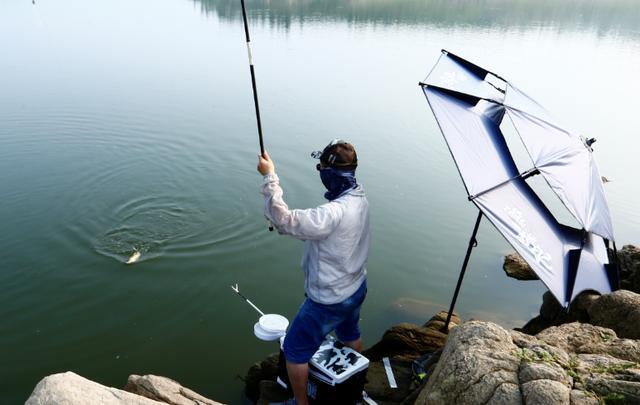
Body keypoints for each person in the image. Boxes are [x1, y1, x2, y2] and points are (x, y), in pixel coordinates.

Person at [257, 139, 370, 405]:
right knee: (349, 334)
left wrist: (269, 177)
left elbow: (284, 221)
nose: (319, 171)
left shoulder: (332, 213)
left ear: (330, 173)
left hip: (327, 300)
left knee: (295, 350)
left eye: (321, 167)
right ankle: (355, 388)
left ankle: (301, 403)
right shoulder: (360, 196)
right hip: (356, 288)